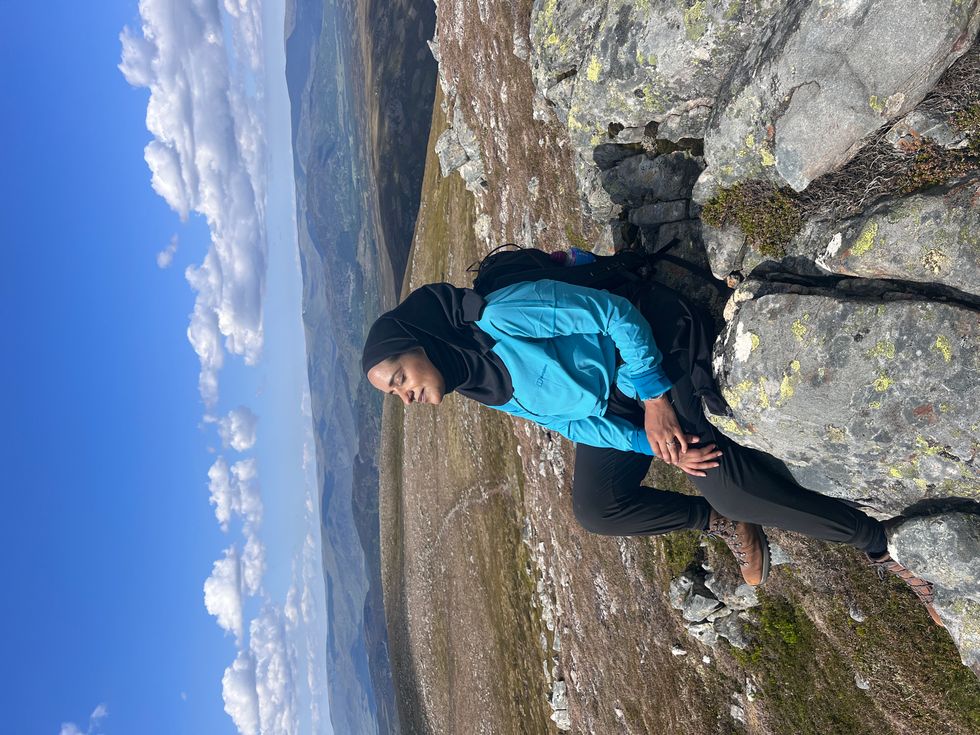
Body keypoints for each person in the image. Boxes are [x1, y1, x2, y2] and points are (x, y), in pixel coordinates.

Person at [361, 275, 942, 625]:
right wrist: (653, 445)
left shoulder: (501, 316)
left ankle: (879, 543)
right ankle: (715, 521)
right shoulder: (473, 379)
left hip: (656, 356)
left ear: (412, 343)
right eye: (395, 396)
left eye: (395, 382)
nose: (405, 398)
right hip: (627, 407)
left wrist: (656, 397)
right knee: (596, 507)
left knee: (732, 485)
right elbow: (579, 424)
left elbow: (616, 315)